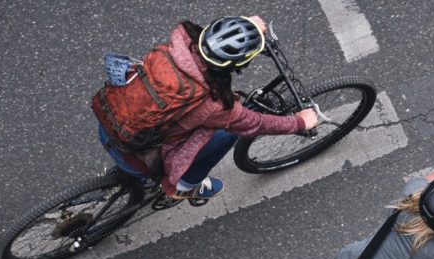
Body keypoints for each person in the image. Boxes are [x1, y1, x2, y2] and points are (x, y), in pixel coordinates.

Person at [98, 16, 319, 202]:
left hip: (110, 123)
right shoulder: (214, 105)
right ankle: (186, 187)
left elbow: (215, 40)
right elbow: (255, 123)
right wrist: (299, 123)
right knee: (227, 133)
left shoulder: (180, 44)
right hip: (139, 157)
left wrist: (247, 26)